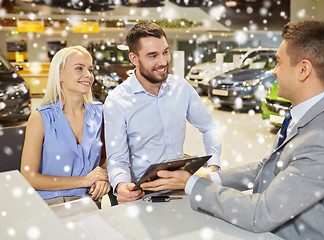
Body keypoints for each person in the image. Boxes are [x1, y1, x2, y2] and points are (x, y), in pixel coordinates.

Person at [141, 20, 324, 239]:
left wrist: (191, 184)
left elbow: (260, 213)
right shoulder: (304, 116)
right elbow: (267, 168)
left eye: (278, 62)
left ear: (303, 69)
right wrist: (210, 177)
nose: (274, 71)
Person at [104, 21, 221, 204]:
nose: (163, 62)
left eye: (165, 52)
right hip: (142, 196)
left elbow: (209, 127)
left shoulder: (181, 88)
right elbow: (117, 158)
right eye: (153, 56)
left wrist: (213, 168)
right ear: (134, 59)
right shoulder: (117, 101)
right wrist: (121, 185)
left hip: (180, 190)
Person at [21, 46, 110, 207]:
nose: (88, 75)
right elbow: (29, 177)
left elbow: (106, 158)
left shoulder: (99, 113)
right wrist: (84, 180)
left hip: (90, 202)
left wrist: (103, 175)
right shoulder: (40, 117)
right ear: (60, 73)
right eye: (79, 68)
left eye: (90, 69)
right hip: (51, 205)